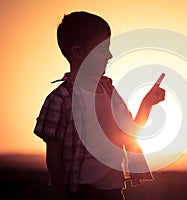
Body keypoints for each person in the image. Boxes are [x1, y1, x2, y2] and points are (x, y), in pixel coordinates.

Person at [34, 11, 165, 200]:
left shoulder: (110, 91)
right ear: (78, 52)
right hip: (80, 192)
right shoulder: (59, 100)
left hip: (114, 191)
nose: (110, 55)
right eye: (103, 49)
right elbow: (53, 159)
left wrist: (147, 103)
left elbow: (131, 130)